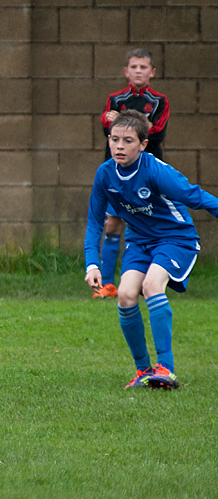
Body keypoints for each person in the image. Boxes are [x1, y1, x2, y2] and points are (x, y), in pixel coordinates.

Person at [84, 110, 218, 391]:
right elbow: (96, 220)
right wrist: (91, 264)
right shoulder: (105, 173)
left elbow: (195, 196)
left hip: (175, 238)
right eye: (115, 139)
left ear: (143, 145)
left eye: (129, 141)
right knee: (125, 294)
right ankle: (143, 370)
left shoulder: (156, 170)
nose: (120, 146)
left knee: (152, 284)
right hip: (139, 241)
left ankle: (166, 369)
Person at [93, 48, 170, 299]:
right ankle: (106, 284)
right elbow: (109, 126)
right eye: (134, 67)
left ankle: (150, 280)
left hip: (149, 174)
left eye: (143, 67)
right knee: (112, 223)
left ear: (152, 72)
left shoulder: (160, 101)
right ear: (126, 71)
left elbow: (154, 131)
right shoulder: (115, 99)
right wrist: (110, 120)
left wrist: (126, 121)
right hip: (118, 174)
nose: (139, 71)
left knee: (151, 222)